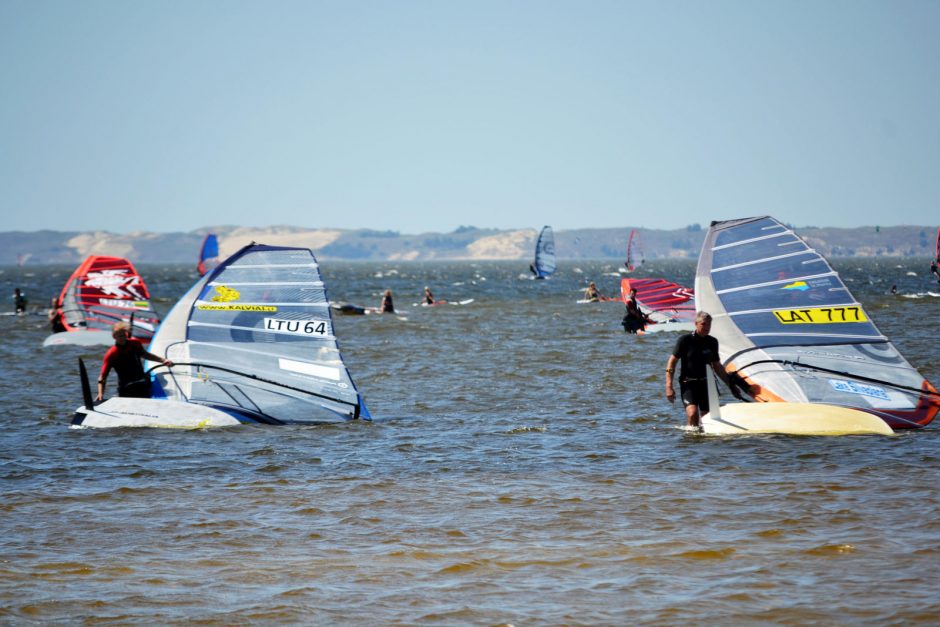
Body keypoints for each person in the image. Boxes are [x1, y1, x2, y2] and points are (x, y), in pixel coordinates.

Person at [665, 311, 751, 430]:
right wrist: (669, 386)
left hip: (706, 383)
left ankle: (704, 443)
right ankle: (691, 439)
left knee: (707, 418)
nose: (707, 328)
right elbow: (672, 362)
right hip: (688, 383)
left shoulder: (712, 342)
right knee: (692, 413)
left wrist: (731, 385)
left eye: (709, 325)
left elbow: (717, 367)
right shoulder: (685, 340)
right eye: (704, 324)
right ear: (696, 324)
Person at [97, 321, 172, 401]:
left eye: (123, 335)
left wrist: (163, 360)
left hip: (141, 384)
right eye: (119, 336)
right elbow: (103, 376)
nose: (122, 338)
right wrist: (100, 393)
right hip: (126, 388)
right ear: (114, 336)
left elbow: (145, 355)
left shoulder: (135, 344)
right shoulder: (111, 353)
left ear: (126, 334)